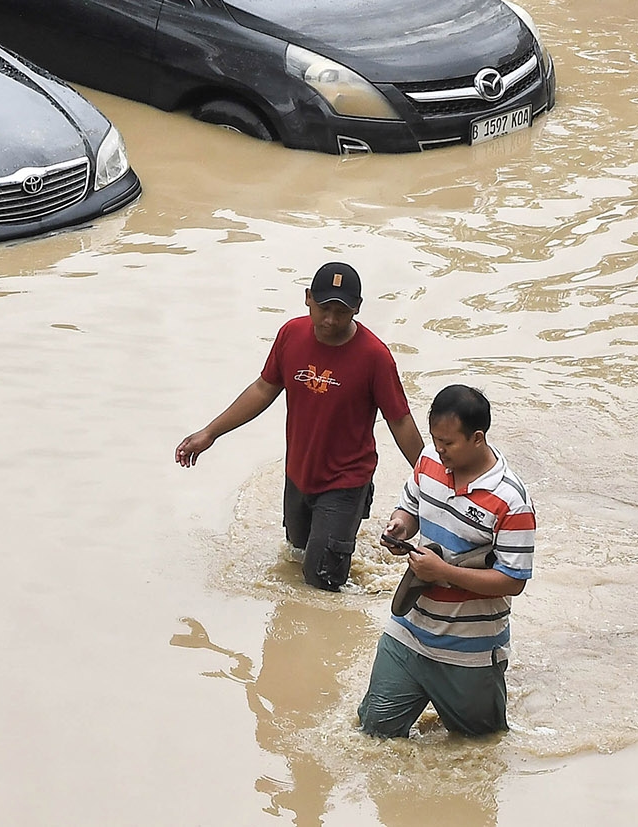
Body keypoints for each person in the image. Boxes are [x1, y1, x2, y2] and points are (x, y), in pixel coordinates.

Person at [176, 262, 423, 592]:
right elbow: (264, 388)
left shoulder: (374, 357)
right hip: (299, 476)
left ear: (358, 309)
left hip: (345, 482)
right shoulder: (291, 335)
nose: (331, 320)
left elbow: (400, 420)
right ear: (308, 298)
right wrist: (210, 433)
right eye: (323, 309)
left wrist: (431, 477)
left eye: (341, 311)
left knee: (321, 582)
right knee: (296, 556)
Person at [356, 383, 535, 740]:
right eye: (435, 438)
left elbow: (513, 580)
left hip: (469, 651)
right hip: (408, 631)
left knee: (480, 745)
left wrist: (444, 573)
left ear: (478, 438)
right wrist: (400, 526)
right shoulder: (428, 463)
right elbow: (410, 507)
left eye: (449, 443)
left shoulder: (512, 501)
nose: (439, 449)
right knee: (374, 733)